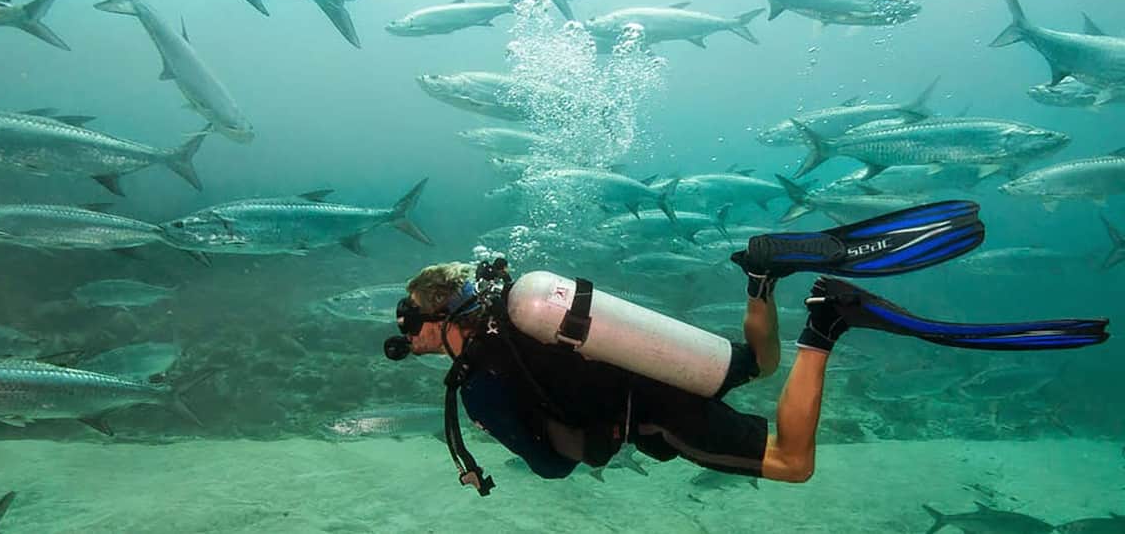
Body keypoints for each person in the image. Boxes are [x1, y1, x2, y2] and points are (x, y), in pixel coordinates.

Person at [384, 201, 1109, 494]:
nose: (410, 342)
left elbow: (549, 463)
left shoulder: (476, 378)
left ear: (437, 315)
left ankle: (827, 317)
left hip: (658, 413)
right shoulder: (515, 310)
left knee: (792, 463)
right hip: (667, 360)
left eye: (411, 327)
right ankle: (762, 275)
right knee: (759, 364)